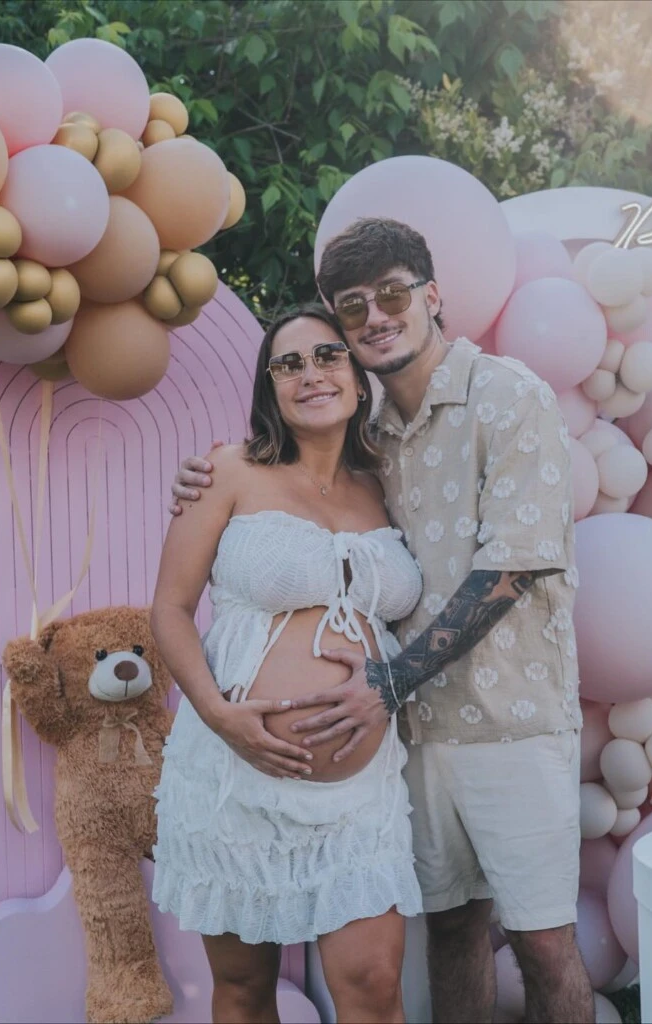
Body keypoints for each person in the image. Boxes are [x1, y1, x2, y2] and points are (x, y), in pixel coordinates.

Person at [172, 218, 594, 1024]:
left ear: (432, 296)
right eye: (352, 306)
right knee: (452, 935)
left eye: (393, 294)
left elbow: (508, 567)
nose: (375, 316)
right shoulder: (372, 439)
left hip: (506, 722)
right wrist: (207, 475)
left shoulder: (509, 397)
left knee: (542, 944)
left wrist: (386, 683)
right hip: (407, 744)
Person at [151, 303, 424, 1024]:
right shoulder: (226, 471)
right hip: (236, 775)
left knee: (373, 985)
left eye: (328, 356)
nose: (311, 374)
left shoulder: (391, 485)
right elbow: (170, 610)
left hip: (362, 791)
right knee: (243, 989)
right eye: (289, 364)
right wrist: (220, 716)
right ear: (269, 388)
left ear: (360, 378)